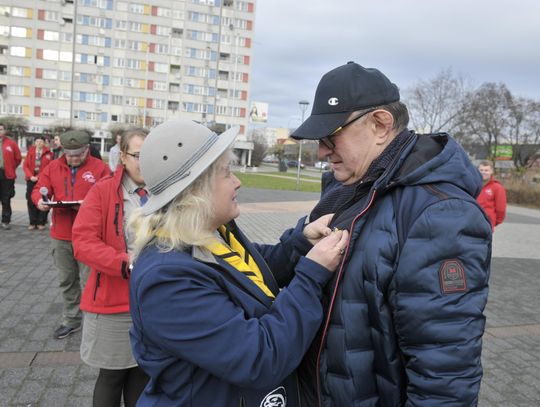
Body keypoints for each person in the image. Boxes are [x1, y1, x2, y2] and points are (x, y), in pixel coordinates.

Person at [290, 62, 492, 406]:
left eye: (330, 135)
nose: (322, 150)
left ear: (380, 125)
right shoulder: (352, 190)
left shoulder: (440, 213)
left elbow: (444, 374)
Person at [128, 119, 348, 406]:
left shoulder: (206, 234)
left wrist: (301, 243)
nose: (237, 182)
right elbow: (260, 358)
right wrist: (311, 277)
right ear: (196, 191)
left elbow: (251, 270)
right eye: (226, 173)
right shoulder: (166, 281)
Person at [72, 128, 149, 406]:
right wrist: (124, 263)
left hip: (152, 300)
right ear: (123, 157)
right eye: (138, 155)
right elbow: (83, 242)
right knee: (113, 375)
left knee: (142, 373)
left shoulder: (164, 192)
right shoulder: (103, 190)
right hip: (114, 303)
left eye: (151, 154)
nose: (145, 161)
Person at [33, 130, 110, 339]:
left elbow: (110, 195)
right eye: (69, 154)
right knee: (66, 280)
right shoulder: (53, 167)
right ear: (63, 151)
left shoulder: (100, 168)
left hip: (91, 236)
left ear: (87, 149)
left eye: (78, 154)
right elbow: (39, 188)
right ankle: (72, 319)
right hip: (61, 235)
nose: (74, 158)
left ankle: (95, 319)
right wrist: (40, 201)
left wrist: (91, 206)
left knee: (91, 280)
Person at [23, 135, 53, 230]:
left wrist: (39, 177)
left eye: (41, 141)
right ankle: (32, 222)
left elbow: (49, 167)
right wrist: (30, 176)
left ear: (44, 143)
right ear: (34, 142)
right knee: (31, 200)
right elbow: (25, 166)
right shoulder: (30, 151)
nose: (39, 143)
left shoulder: (49, 153)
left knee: (44, 199)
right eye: (37, 141)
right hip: (31, 179)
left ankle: (41, 222)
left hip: (44, 179)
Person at [0, 123, 22, 230]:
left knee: (6, 198)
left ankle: (5, 221)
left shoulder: (11, 143)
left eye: (1, 129)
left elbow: (18, 158)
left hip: (7, 174)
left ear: (4, 131)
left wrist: (11, 168)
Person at [477, 160, 507, 229]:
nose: (483, 172)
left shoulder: (497, 187)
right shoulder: (472, 184)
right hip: (471, 221)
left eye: (486, 170)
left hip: (486, 223)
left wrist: (494, 222)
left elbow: (501, 208)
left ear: (491, 171)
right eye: (481, 170)